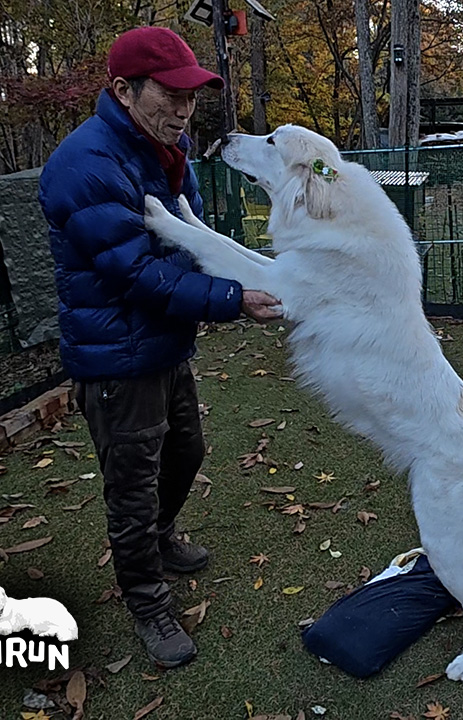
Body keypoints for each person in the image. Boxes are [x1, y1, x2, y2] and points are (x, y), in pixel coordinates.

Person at [38, 26, 281, 669]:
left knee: (186, 452)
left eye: (191, 97)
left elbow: (191, 241)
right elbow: (138, 272)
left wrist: (243, 276)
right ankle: (148, 603)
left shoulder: (167, 154)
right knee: (132, 489)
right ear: (124, 90)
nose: (183, 110)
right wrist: (232, 299)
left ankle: (162, 537)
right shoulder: (85, 164)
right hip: (116, 357)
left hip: (166, 344)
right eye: (169, 96)